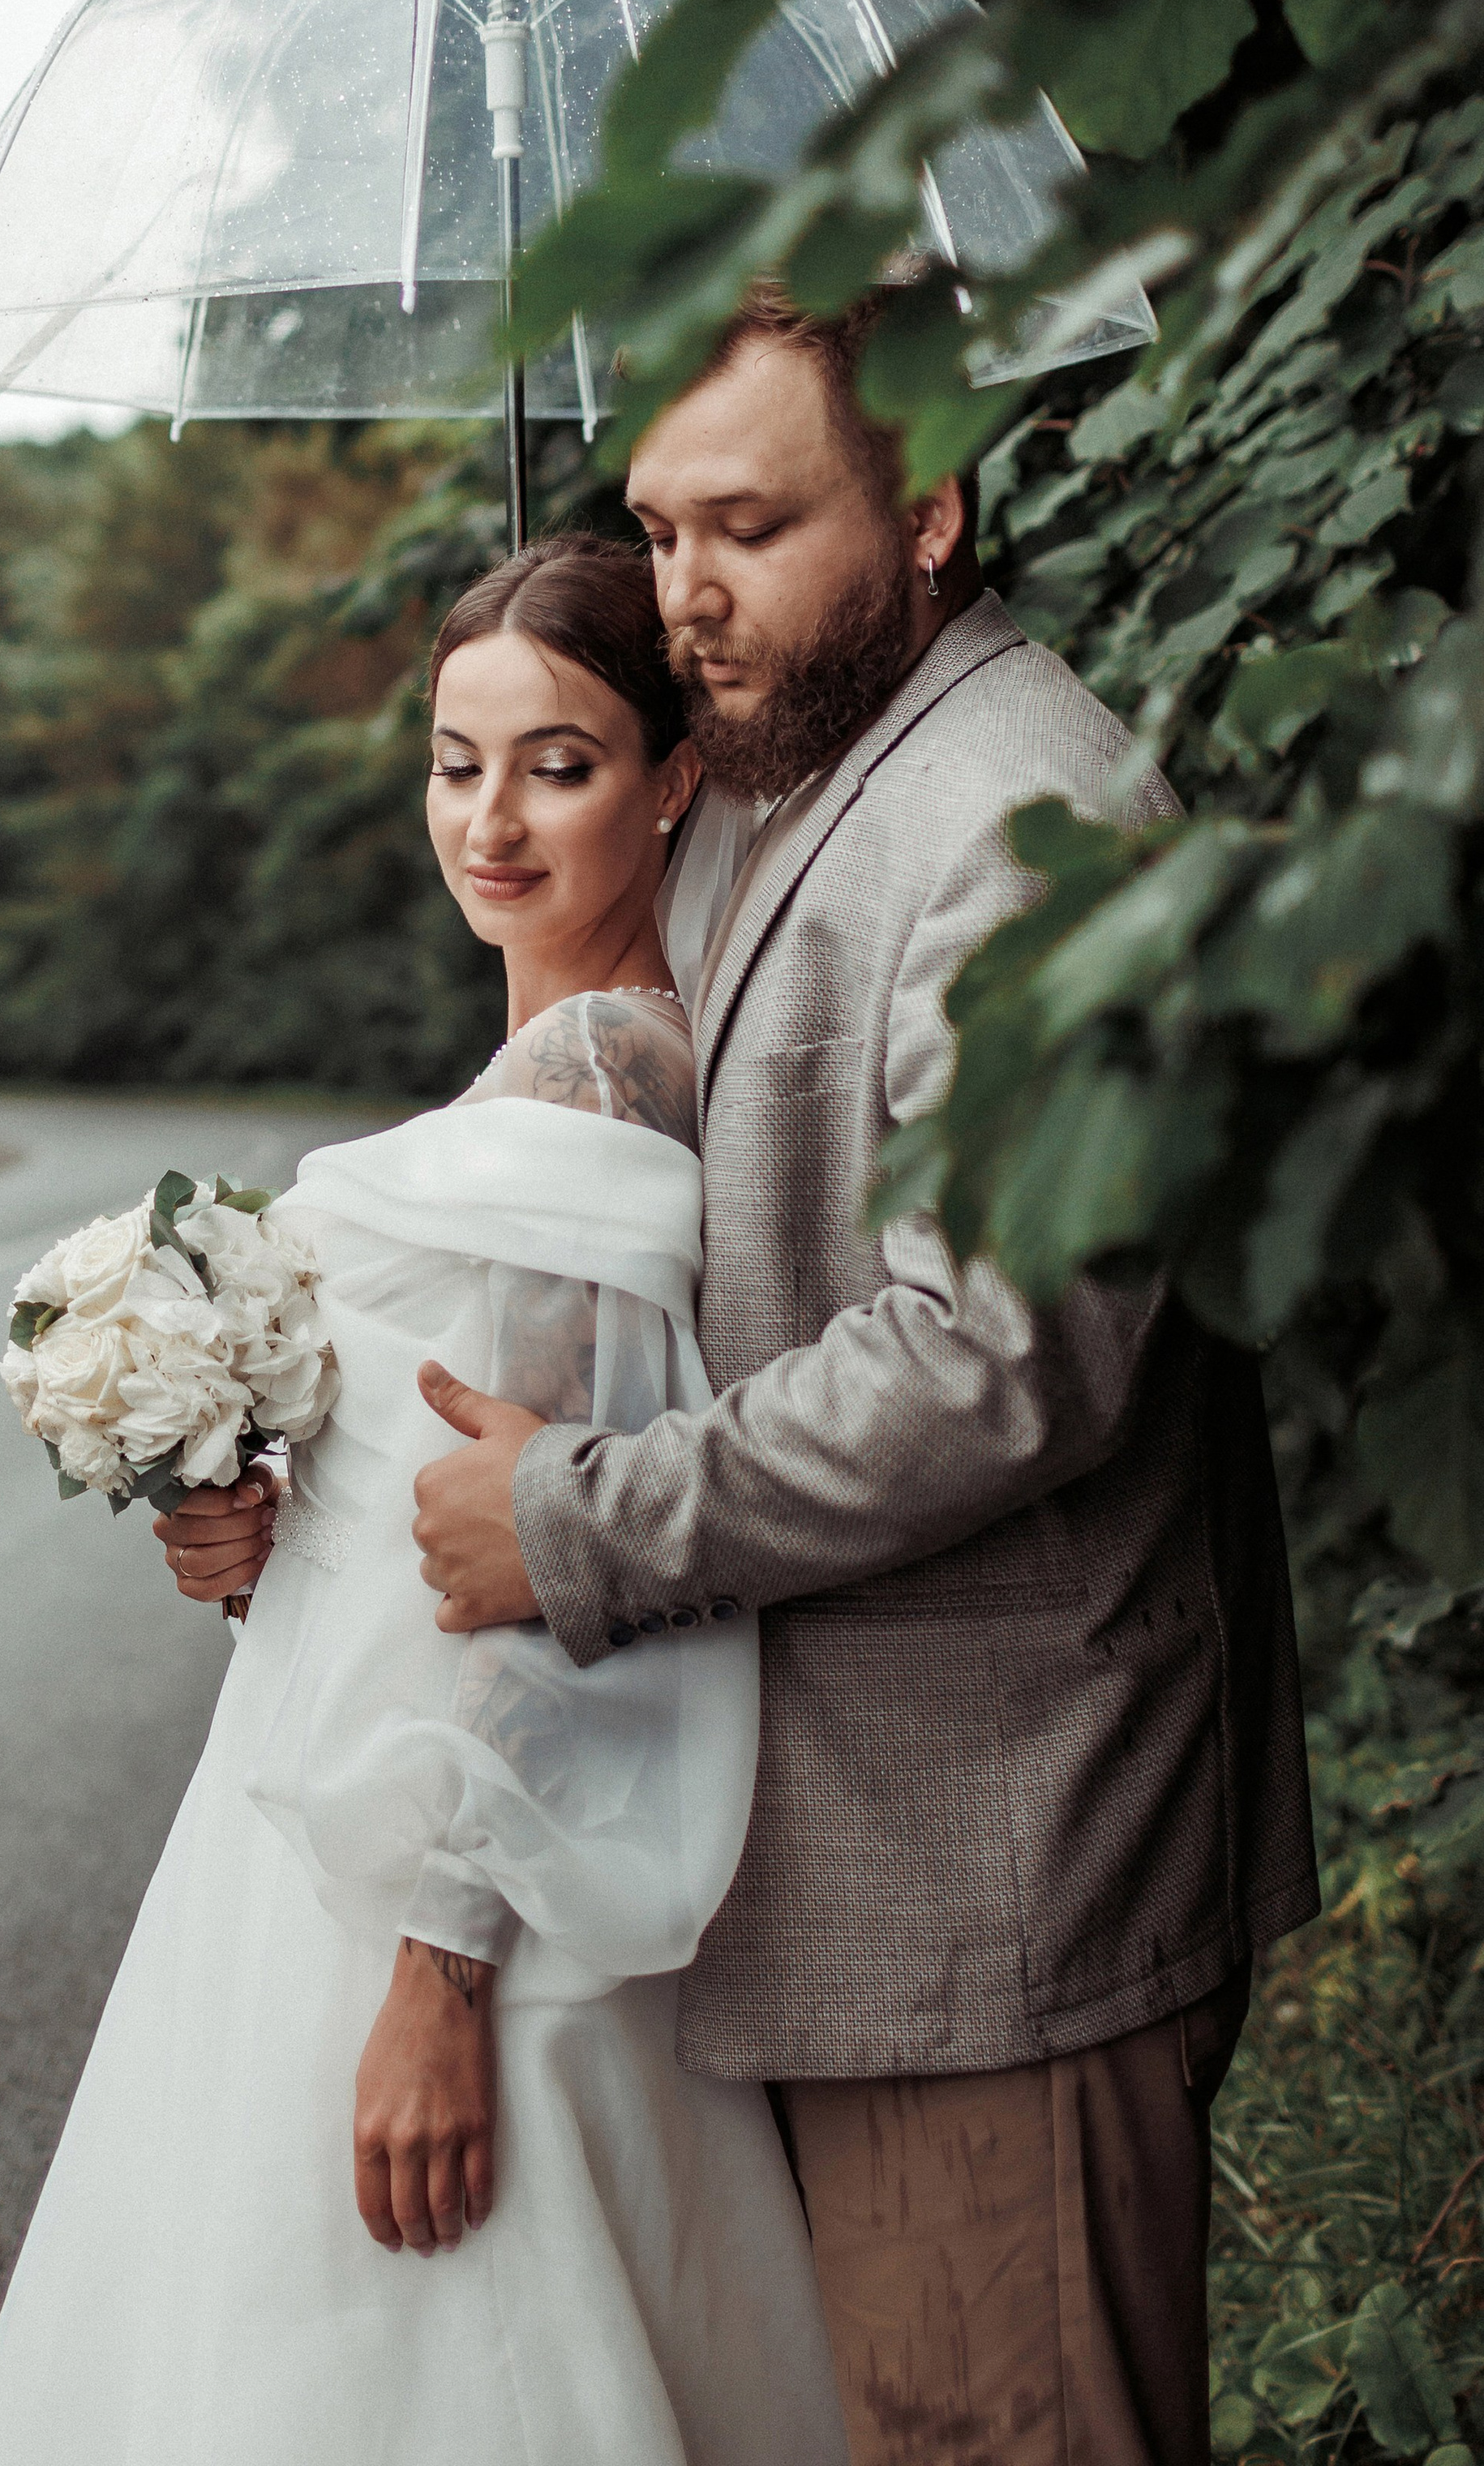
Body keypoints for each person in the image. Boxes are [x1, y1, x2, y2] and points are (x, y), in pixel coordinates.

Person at [174, 285, 1319, 2466]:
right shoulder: (795, 792)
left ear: (937, 512)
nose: (690, 592)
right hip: (821, 1887)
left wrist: (577, 1523)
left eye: (757, 527)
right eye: (662, 527)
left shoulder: (1024, 818)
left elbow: (1009, 1358)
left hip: (1002, 1882)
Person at [0, 534, 850, 2466]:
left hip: (449, 1877)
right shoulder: (526, 1069)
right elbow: (432, 1486)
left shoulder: (604, 1072)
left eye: (560, 761)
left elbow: (538, 1567)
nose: (491, 820)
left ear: (674, 776)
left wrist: (439, 1980)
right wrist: (242, 1500)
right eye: (456, 761)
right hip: (313, 1806)